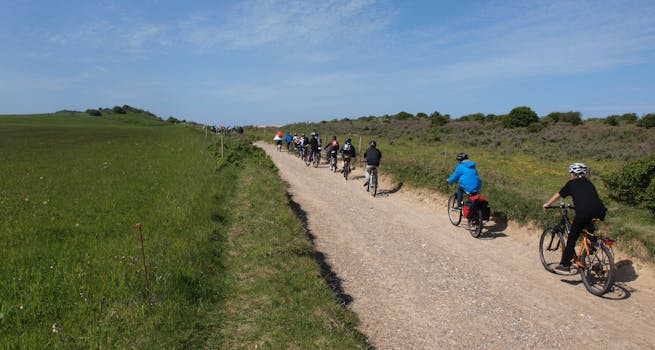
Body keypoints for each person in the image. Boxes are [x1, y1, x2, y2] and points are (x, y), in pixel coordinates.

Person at [543, 163, 607, 272]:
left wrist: (547, 204)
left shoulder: (571, 184)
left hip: (583, 213)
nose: (570, 175)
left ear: (574, 173)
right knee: (588, 229)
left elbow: (558, 195)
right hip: (599, 211)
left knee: (572, 238)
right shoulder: (589, 183)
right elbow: (588, 198)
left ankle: (565, 264)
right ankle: (592, 247)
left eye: (571, 173)